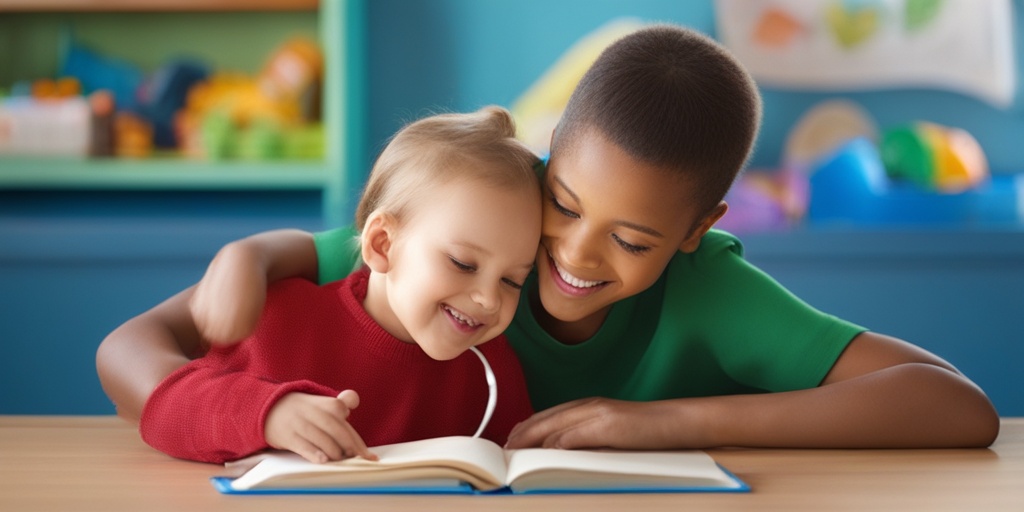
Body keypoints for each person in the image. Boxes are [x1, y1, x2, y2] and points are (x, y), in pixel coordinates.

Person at [98, 24, 999, 453]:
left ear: (698, 232)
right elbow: (138, 348)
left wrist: (661, 423)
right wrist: (249, 255)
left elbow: (956, 407)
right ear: (541, 163)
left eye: (636, 239)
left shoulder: (714, 292)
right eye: (562, 201)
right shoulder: (480, 224)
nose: (572, 254)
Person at [126, 106, 541, 464]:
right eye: (463, 263)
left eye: (511, 280)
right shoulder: (280, 318)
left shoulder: (494, 370)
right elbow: (167, 409)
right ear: (382, 244)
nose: (489, 299)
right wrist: (267, 414)